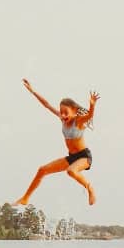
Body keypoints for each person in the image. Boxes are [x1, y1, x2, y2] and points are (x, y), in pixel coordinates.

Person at [15, 78, 99, 206]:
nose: (63, 115)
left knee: (71, 171)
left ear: (74, 111)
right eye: (61, 112)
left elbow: (89, 116)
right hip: (72, 157)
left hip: (84, 157)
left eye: (66, 113)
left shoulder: (79, 121)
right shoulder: (62, 119)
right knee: (42, 170)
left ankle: (89, 187)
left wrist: (92, 105)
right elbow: (47, 104)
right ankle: (25, 198)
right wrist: (32, 91)